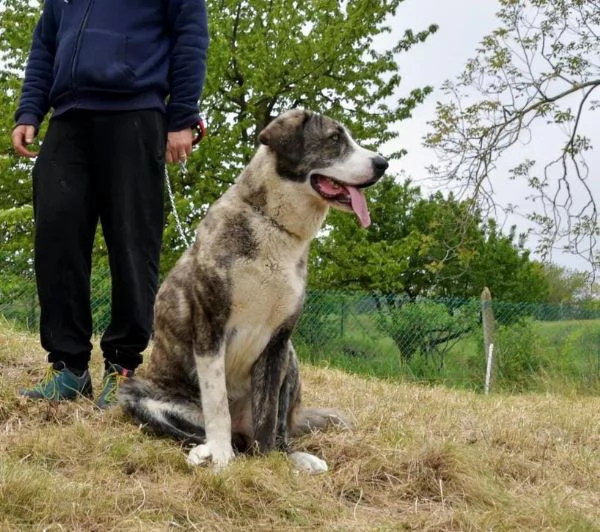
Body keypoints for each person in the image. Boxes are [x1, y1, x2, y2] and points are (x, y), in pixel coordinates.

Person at [11, 0, 209, 408]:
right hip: (67, 118)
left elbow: (190, 36)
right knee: (56, 238)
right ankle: (68, 367)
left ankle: (122, 368)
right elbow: (44, 45)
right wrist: (30, 108)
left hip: (136, 112)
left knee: (133, 244)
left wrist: (182, 115)